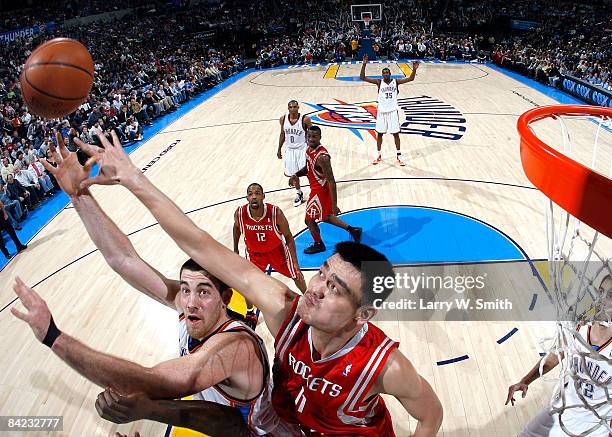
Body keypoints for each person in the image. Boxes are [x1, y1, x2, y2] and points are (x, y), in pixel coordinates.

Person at [69, 130, 443, 436]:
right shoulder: (286, 310)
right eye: (322, 273)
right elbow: (200, 243)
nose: (314, 288)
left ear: (364, 313)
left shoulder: (385, 366)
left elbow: (431, 416)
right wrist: (134, 179)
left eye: (335, 288)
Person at [12, 133, 300, 437]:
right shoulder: (191, 308)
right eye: (185, 289)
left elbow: (155, 383)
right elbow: (122, 258)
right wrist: (79, 196)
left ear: (226, 297)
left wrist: (53, 336)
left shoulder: (235, 347)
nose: (189, 301)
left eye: (203, 291)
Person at [506, 275, 612, 436]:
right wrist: (525, 381)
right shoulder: (580, 326)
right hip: (564, 407)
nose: (602, 299)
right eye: (601, 292)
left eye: (610, 296)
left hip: (596, 426)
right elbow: (555, 356)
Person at [234, 182, 306, 327]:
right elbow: (236, 228)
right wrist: (235, 249)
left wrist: (295, 264)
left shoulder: (275, 213)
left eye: (257, 193)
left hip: (277, 252)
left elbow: (289, 237)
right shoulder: (240, 214)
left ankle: (309, 299)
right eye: (250, 194)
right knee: (247, 283)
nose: (254, 196)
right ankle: (250, 313)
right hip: (255, 255)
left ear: (263, 196)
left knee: (297, 275)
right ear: (247, 198)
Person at [289, 125, 362, 254]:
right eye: (309, 136)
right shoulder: (309, 150)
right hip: (316, 190)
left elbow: (332, 182)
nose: (311, 139)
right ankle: (353, 230)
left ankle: (319, 244)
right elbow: (308, 169)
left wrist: (334, 205)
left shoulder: (323, 157)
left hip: (320, 192)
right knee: (326, 217)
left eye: (314, 136)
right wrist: (296, 174)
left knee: (309, 219)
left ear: (320, 137)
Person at [359, 55, 420, 166]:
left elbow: (411, 79)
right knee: (380, 135)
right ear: (382, 75)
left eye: (387, 72)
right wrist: (364, 64)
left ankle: (399, 156)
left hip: (392, 112)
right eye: (384, 73)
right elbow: (362, 77)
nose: (386, 74)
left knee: (396, 134)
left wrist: (414, 69)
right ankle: (378, 155)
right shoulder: (379, 82)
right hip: (381, 112)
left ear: (390, 74)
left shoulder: (396, 82)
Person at [277, 100, 312, 207]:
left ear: (298, 107)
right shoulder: (283, 119)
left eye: (295, 107)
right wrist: (279, 148)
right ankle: (299, 193)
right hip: (290, 150)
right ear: (288, 108)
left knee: (308, 172)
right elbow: (282, 134)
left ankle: (315, 191)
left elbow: (312, 134)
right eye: (291, 107)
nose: (293, 109)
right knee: (293, 174)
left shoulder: (305, 119)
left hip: (302, 149)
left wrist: (313, 149)